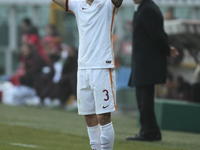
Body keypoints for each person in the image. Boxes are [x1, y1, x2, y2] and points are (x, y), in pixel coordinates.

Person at [52, 0, 123, 149]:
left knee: (103, 116)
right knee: (89, 116)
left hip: (102, 66)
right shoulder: (78, 5)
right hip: (83, 68)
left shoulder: (108, 4)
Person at [127, 0, 179, 141]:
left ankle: (148, 132)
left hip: (146, 63)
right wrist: (167, 48)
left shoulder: (147, 9)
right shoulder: (145, 7)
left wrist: (167, 49)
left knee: (145, 100)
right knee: (144, 99)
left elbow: (156, 34)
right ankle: (152, 131)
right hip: (145, 62)